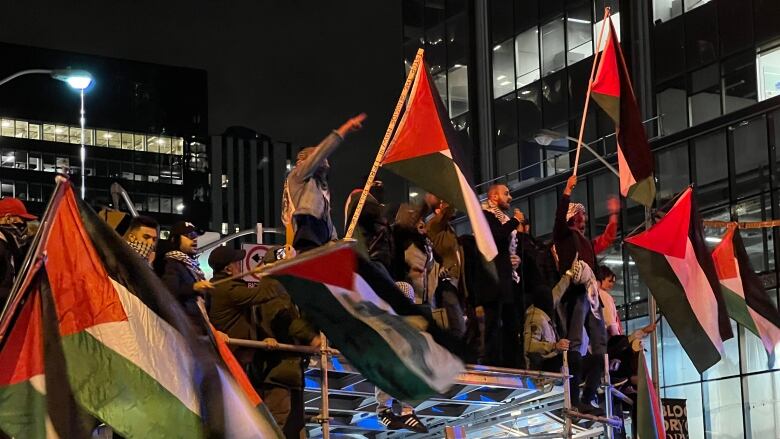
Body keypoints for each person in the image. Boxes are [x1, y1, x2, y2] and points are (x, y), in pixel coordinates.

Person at [207, 246, 318, 438]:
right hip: (272, 368)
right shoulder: (230, 289)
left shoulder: (233, 287)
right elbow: (281, 315)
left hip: (276, 367)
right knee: (275, 423)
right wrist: (275, 271)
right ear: (228, 269)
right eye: (236, 262)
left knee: (289, 423)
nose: (242, 265)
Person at [553, 174, 619, 413]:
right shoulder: (563, 236)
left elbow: (607, 238)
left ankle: (589, 395)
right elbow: (559, 218)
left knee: (600, 345)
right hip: (574, 293)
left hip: (591, 297)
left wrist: (613, 216)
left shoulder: (586, 243)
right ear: (573, 217)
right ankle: (574, 397)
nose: (585, 218)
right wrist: (567, 191)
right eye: (581, 214)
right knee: (575, 343)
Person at [282, 113, 366, 253]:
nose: (326, 161)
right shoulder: (299, 175)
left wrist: (334, 240)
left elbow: (326, 218)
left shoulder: (319, 187)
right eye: (323, 159)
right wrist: (344, 129)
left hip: (320, 237)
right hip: (308, 233)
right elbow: (321, 152)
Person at [480, 184, 523, 367]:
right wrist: (514, 221)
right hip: (493, 281)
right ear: (494, 197)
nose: (510, 197)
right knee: (493, 325)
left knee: (511, 324)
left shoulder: (500, 218)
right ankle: (493, 363)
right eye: (506, 194)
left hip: (505, 279)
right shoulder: (485, 216)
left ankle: (512, 363)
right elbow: (497, 236)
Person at [425, 195, 466, 339]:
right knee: (457, 325)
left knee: (458, 323)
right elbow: (449, 210)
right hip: (446, 281)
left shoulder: (448, 229)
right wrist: (448, 192)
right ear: (438, 211)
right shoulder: (434, 226)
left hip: (456, 282)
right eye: (443, 205)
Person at [161, 221, 213, 327]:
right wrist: (194, 287)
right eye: (189, 236)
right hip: (183, 325)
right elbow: (169, 292)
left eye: (196, 236)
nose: (195, 240)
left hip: (195, 324)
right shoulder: (171, 262)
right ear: (174, 239)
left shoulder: (190, 264)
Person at [344, 177, 393, 273]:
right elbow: (370, 213)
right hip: (367, 259)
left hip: (377, 262)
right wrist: (394, 210)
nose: (379, 187)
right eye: (375, 184)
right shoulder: (359, 196)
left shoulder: (376, 206)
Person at [0, 198, 36, 307]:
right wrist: (15, 296)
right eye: (22, 219)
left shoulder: (11, 244)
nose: (24, 224)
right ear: (8, 218)